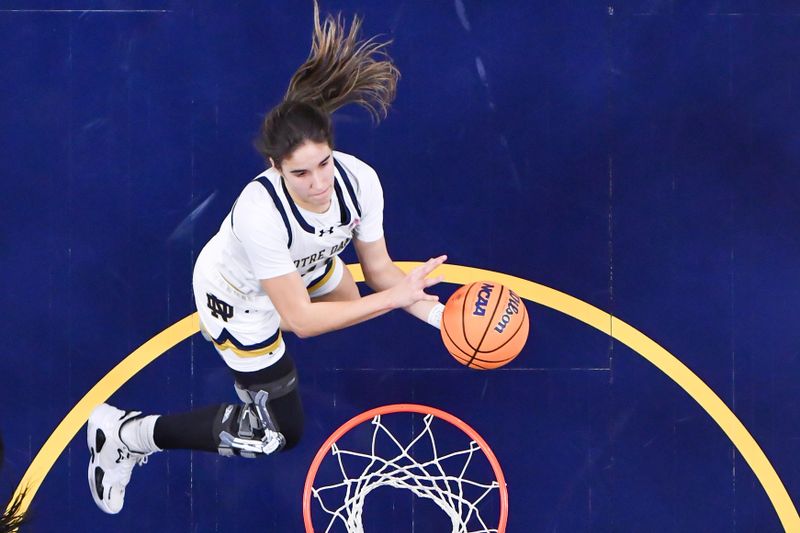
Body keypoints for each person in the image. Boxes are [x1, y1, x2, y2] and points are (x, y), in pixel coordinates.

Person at [87, 2, 447, 515]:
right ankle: (128, 434)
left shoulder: (359, 181)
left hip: (300, 265)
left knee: (347, 295)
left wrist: (438, 316)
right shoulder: (261, 214)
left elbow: (381, 270)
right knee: (276, 433)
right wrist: (392, 301)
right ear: (275, 167)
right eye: (301, 174)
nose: (319, 183)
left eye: (324, 163)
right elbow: (303, 322)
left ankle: (302, 284)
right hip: (237, 298)